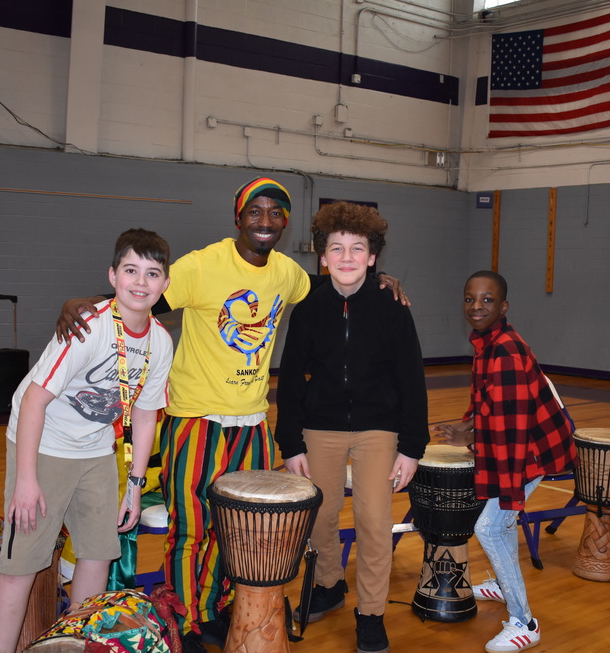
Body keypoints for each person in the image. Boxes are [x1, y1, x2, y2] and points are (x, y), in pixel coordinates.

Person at [53, 178, 408, 653]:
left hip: (253, 424)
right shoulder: (203, 265)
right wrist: (88, 304)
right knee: (191, 530)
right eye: (255, 211)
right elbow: (140, 294)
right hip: (198, 418)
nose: (265, 221)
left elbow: (335, 282)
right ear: (238, 217)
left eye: (275, 213)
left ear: (285, 223)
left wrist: (381, 279)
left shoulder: (287, 273)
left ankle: (217, 609)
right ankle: (185, 621)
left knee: (236, 531)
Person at [0, 228, 174, 653]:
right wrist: (26, 480)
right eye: (130, 270)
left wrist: (135, 485)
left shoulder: (160, 342)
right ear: (112, 276)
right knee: (21, 563)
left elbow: (145, 414)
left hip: (96, 448)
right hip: (43, 443)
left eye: (152, 274)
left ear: (165, 284)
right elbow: (34, 401)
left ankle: (76, 644)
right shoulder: (89, 326)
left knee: (97, 553)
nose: (140, 282)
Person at [275, 201, 428, 653]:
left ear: (372, 256)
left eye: (357, 248)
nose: (346, 257)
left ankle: (372, 614)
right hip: (319, 428)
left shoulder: (392, 307)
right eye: (336, 248)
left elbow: (412, 379)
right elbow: (291, 378)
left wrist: (412, 447)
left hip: (378, 429)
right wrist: (290, 443)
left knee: (374, 522)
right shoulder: (308, 308)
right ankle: (329, 585)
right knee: (319, 516)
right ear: (322, 256)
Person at [432, 270, 576, 653]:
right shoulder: (487, 342)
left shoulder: (506, 350)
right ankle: (502, 582)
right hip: (523, 444)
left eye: (487, 300)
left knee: (490, 528)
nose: (476, 306)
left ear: (504, 306)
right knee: (502, 522)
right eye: (470, 299)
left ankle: (524, 623)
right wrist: (467, 427)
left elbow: (510, 426)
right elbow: (488, 402)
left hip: (530, 450)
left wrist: (470, 437)